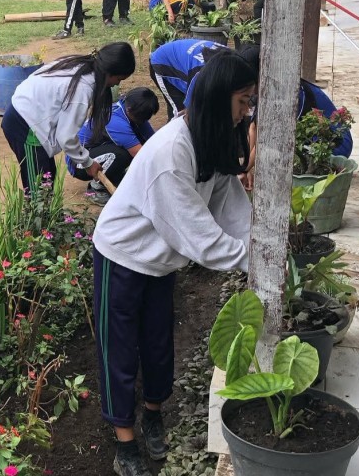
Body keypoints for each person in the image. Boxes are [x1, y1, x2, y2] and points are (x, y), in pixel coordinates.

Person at [93, 52, 254, 476]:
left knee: (159, 342)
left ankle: (153, 414)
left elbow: (230, 206)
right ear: (220, 101)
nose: (246, 112)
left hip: (160, 264)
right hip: (122, 257)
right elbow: (199, 236)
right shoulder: (171, 154)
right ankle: (124, 442)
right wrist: (253, 259)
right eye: (242, 101)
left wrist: (260, 244)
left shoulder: (209, 138)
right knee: (120, 349)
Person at [1, 42, 136, 192]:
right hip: (24, 124)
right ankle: (38, 215)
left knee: (47, 176)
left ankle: (49, 215)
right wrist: (88, 162)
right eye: (119, 79)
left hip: (31, 116)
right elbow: (66, 137)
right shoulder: (82, 89)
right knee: (38, 187)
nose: (117, 84)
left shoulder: (82, 64)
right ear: (110, 71)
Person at [66, 87, 160, 205]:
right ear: (130, 109)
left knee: (137, 140)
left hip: (97, 151)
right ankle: (96, 188)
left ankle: (115, 177)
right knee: (123, 154)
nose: (144, 121)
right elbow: (140, 154)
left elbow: (153, 141)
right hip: (80, 163)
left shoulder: (133, 112)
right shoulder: (115, 120)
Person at [149, 37, 227, 119]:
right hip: (163, 62)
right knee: (182, 114)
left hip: (184, 59)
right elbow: (193, 108)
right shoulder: (199, 75)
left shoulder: (235, 62)